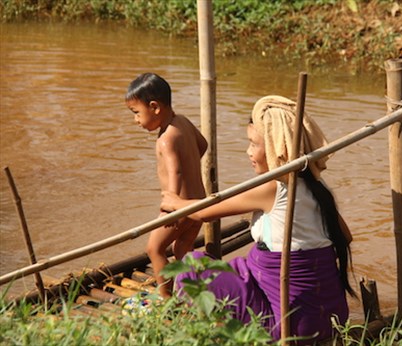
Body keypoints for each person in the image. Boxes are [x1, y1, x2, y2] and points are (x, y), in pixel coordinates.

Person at [161, 95, 355, 344]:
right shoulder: (317, 185)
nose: (248, 152)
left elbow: (204, 212)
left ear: (275, 147)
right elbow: (345, 236)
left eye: (254, 144)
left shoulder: (275, 187)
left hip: (288, 327)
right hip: (330, 318)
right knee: (238, 267)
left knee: (192, 265)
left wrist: (174, 202)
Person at [126, 72, 207, 298]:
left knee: (154, 248)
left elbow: (176, 171)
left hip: (180, 207)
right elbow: (203, 145)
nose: (136, 120)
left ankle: (166, 300)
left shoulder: (165, 139)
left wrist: (172, 202)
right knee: (183, 250)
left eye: (136, 113)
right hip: (197, 201)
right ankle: (194, 293)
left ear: (155, 107)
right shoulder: (183, 122)